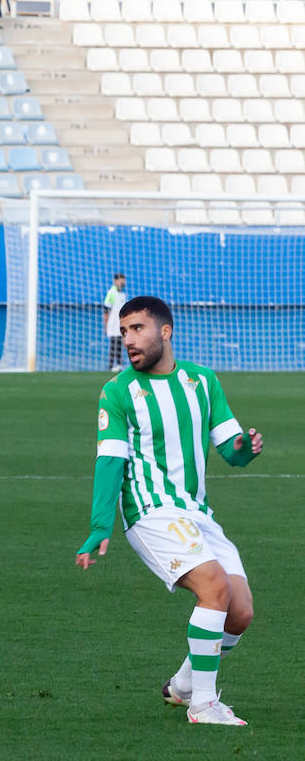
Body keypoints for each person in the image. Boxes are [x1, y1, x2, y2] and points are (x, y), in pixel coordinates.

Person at [76, 296, 263, 726]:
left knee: (240, 611)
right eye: (123, 332)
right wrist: (99, 526)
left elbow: (230, 450)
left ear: (165, 331)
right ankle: (203, 705)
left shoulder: (202, 381)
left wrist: (247, 448)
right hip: (149, 510)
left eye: (137, 329)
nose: (128, 340)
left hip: (196, 511)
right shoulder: (118, 391)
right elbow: (110, 462)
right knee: (213, 586)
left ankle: (181, 687)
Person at [103, 272, 127, 371]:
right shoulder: (111, 293)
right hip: (112, 324)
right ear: (116, 281)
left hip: (120, 324)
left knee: (119, 345)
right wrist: (105, 324)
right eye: (122, 279)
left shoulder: (123, 294)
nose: (124, 282)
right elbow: (106, 309)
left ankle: (120, 365)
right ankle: (111, 366)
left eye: (124, 280)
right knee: (113, 344)